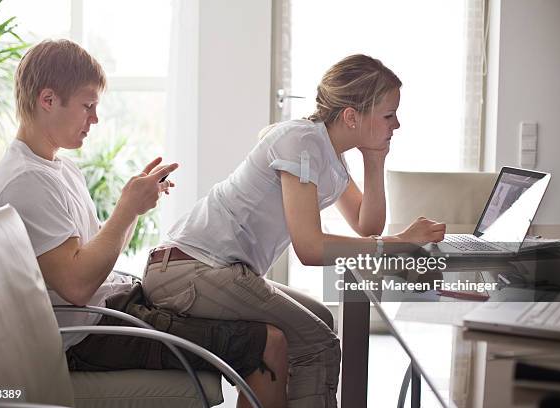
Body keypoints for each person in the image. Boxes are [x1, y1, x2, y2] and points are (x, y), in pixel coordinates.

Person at [0, 39, 288, 408]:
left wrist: (135, 206)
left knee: (248, 312)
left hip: (112, 310)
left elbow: (93, 257)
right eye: (87, 105)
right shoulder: (25, 181)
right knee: (268, 345)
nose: (94, 119)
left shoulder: (59, 168)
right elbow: (78, 286)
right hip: (89, 334)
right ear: (48, 100)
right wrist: (126, 210)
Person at [143, 54, 447, 408]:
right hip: (186, 270)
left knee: (320, 318)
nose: (397, 124)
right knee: (317, 341)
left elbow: (367, 224)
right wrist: (398, 244)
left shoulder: (328, 154)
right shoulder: (302, 142)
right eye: (388, 114)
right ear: (352, 116)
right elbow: (311, 248)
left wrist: (374, 160)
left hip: (214, 270)